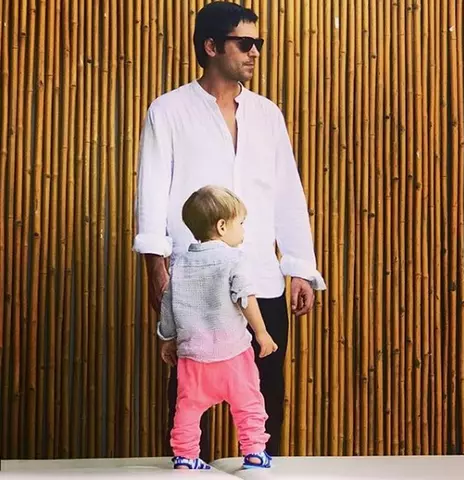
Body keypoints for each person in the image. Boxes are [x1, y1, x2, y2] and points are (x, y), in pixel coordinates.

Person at [133, 1, 326, 459]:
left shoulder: (267, 114)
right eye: (245, 43)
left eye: (258, 43)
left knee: (266, 392)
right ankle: (186, 465)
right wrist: (156, 268)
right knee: (187, 395)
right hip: (195, 282)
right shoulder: (169, 110)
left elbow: (287, 192)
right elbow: (152, 192)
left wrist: (300, 267)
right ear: (212, 46)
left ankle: (260, 466)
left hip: (260, 277)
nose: (255, 52)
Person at [158, 185, 277, 470]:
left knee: (187, 408)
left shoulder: (180, 264)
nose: (243, 230)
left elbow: (169, 303)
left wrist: (168, 339)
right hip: (233, 354)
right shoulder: (235, 259)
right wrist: (261, 332)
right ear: (222, 227)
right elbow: (245, 297)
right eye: (241, 223)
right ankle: (254, 451)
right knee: (249, 403)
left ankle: (186, 456)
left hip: (193, 357)